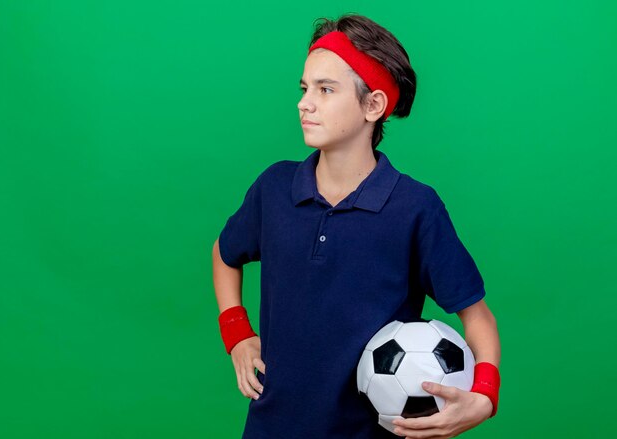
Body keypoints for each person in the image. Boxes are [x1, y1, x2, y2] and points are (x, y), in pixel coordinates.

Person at [212, 13, 501, 439]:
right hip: (270, 427)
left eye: (326, 90)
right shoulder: (274, 188)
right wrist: (237, 333)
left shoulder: (414, 208)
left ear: (373, 106)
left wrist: (483, 395)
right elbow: (224, 252)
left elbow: (478, 318)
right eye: (305, 88)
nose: (304, 102)